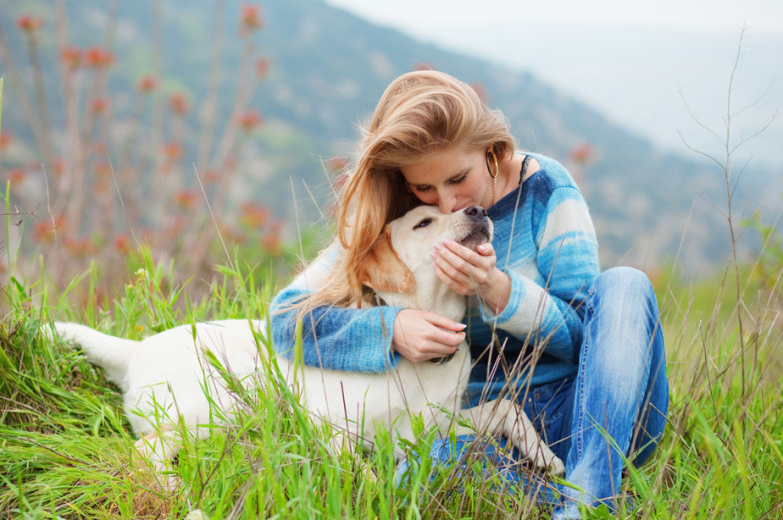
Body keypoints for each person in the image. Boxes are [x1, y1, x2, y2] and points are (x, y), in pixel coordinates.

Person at [269, 70, 668, 519]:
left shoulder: (545, 190)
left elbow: (584, 336)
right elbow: (286, 318)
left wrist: (501, 292)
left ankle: (586, 500)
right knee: (417, 471)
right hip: (480, 427)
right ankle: (567, 495)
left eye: (459, 178)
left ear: (492, 151)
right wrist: (391, 328)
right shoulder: (397, 212)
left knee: (625, 283)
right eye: (425, 187)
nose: (446, 204)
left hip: (591, 412)